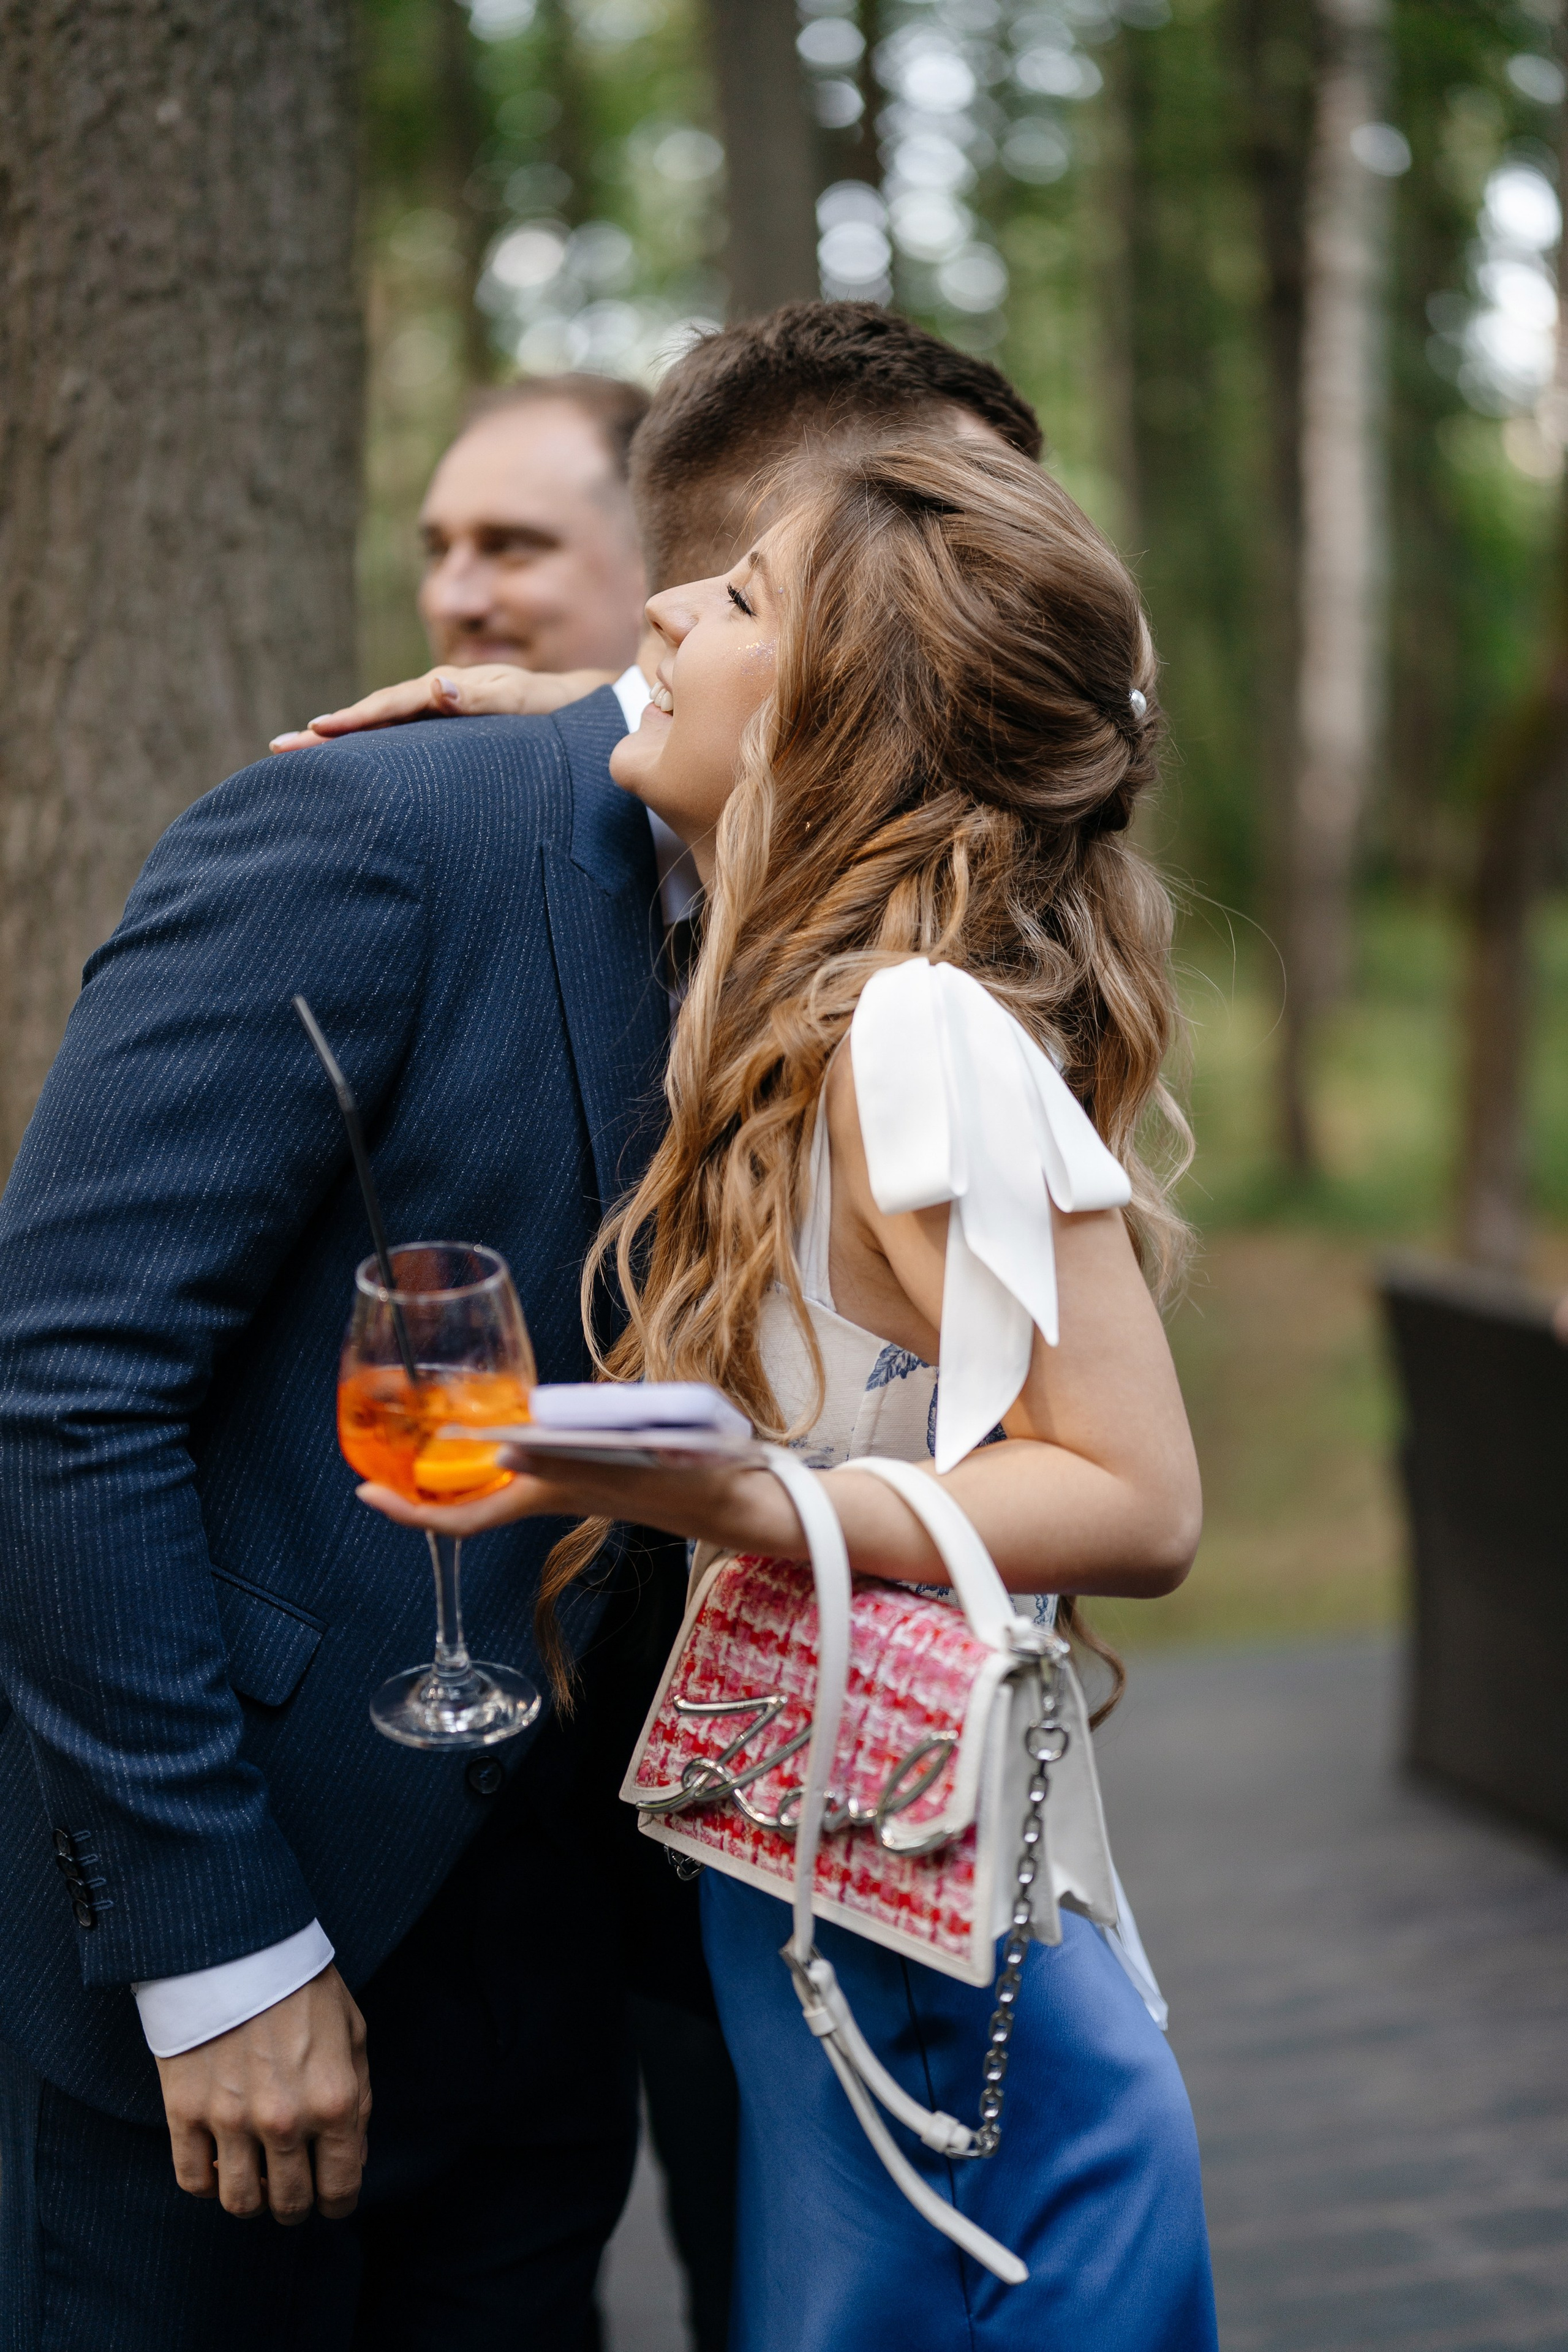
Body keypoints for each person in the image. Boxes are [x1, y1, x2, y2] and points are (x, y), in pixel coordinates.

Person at [0, 307, 1045, 2350]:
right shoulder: (367, 833)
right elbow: (57, 1385)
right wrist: (222, 1952)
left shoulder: (862, 953)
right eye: (923, 570)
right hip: (225, 1984)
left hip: (562, 1967)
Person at [361, 437, 1219, 2351]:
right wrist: (544, 733)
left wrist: (749, 1501)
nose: (657, 608)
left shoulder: (917, 1028)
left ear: (849, 718)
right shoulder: (810, 1003)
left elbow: (1142, 1499)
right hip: (835, 1937)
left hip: (944, 2010)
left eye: (737, 598)